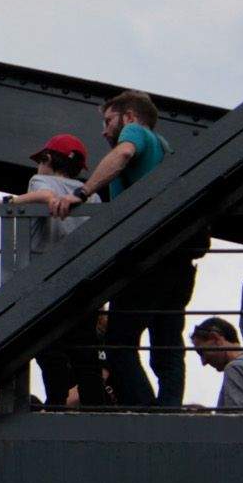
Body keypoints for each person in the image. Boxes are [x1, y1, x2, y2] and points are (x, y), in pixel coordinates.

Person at [48, 90, 196, 406]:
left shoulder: (135, 132)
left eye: (108, 121)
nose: (104, 131)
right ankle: (170, 412)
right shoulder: (166, 147)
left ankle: (146, 414)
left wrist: (83, 192)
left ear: (128, 116)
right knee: (167, 346)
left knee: (118, 345)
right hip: (178, 257)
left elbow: (124, 153)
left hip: (147, 255)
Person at [0, 134, 101, 405]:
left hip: (45, 281)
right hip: (80, 280)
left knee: (49, 349)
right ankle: (94, 407)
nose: (37, 167)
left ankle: (57, 404)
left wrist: (8, 202)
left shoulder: (39, 181)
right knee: (84, 351)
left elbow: (45, 195)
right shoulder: (92, 196)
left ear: (47, 159)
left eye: (40, 161)